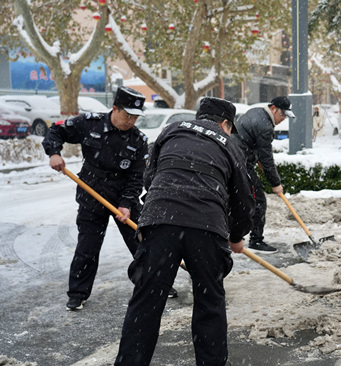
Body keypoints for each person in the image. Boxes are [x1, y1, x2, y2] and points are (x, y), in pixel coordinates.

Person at [114, 97, 254, 366]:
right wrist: (236, 236)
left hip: (159, 220)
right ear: (225, 124)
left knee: (146, 302)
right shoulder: (230, 145)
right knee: (209, 303)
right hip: (206, 226)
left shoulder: (172, 130)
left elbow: (149, 176)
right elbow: (244, 199)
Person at [42, 86, 177, 311]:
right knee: (88, 246)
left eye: (135, 116)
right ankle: (77, 293)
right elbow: (56, 130)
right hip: (91, 192)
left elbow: (136, 177)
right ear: (115, 108)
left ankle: (157, 283)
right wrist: (54, 152)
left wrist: (125, 204)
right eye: (127, 115)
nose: (131, 121)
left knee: (142, 241)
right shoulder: (89, 123)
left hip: (124, 193)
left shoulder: (138, 140)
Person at [232, 96, 295, 253]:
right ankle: (256, 240)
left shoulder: (256, 112)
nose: (283, 119)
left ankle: (229, 235)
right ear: (273, 109)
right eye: (282, 114)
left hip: (231, 158)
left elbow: (250, 142)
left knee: (235, 199)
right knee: (258, 200)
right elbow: (267, 159)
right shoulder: (265, 126)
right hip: (241, 162)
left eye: (286, 116)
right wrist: (276, 184)